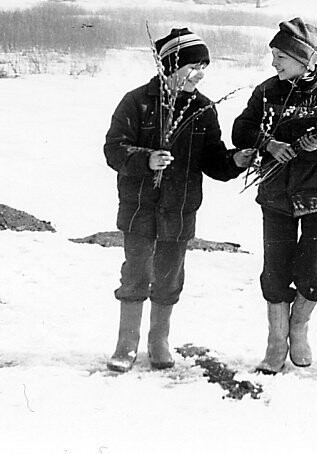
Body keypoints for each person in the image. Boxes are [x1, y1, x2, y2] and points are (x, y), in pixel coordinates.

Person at [103, 27, 254, 373]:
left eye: (205, 67)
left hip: (180, 210)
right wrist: (146, 160)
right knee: (135, 274)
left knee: (169, 279)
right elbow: (114, 149)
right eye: (193, 66)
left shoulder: (202, 109)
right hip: (139, 207)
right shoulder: (137, 101)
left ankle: (158, 342)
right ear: (170, 66)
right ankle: (126, 345)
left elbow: (213, 160)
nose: (200, 74)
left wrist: (235, 161)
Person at [231, 18, 317, 374]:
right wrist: (268, 143)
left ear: (306, 60)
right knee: (274, 271)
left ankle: (298, 328)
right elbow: (241, 128)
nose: (274, 64)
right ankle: (276, 339)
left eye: (280, 57)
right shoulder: (267, 91)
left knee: (315, 273)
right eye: (273, 56)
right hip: (276, 196)